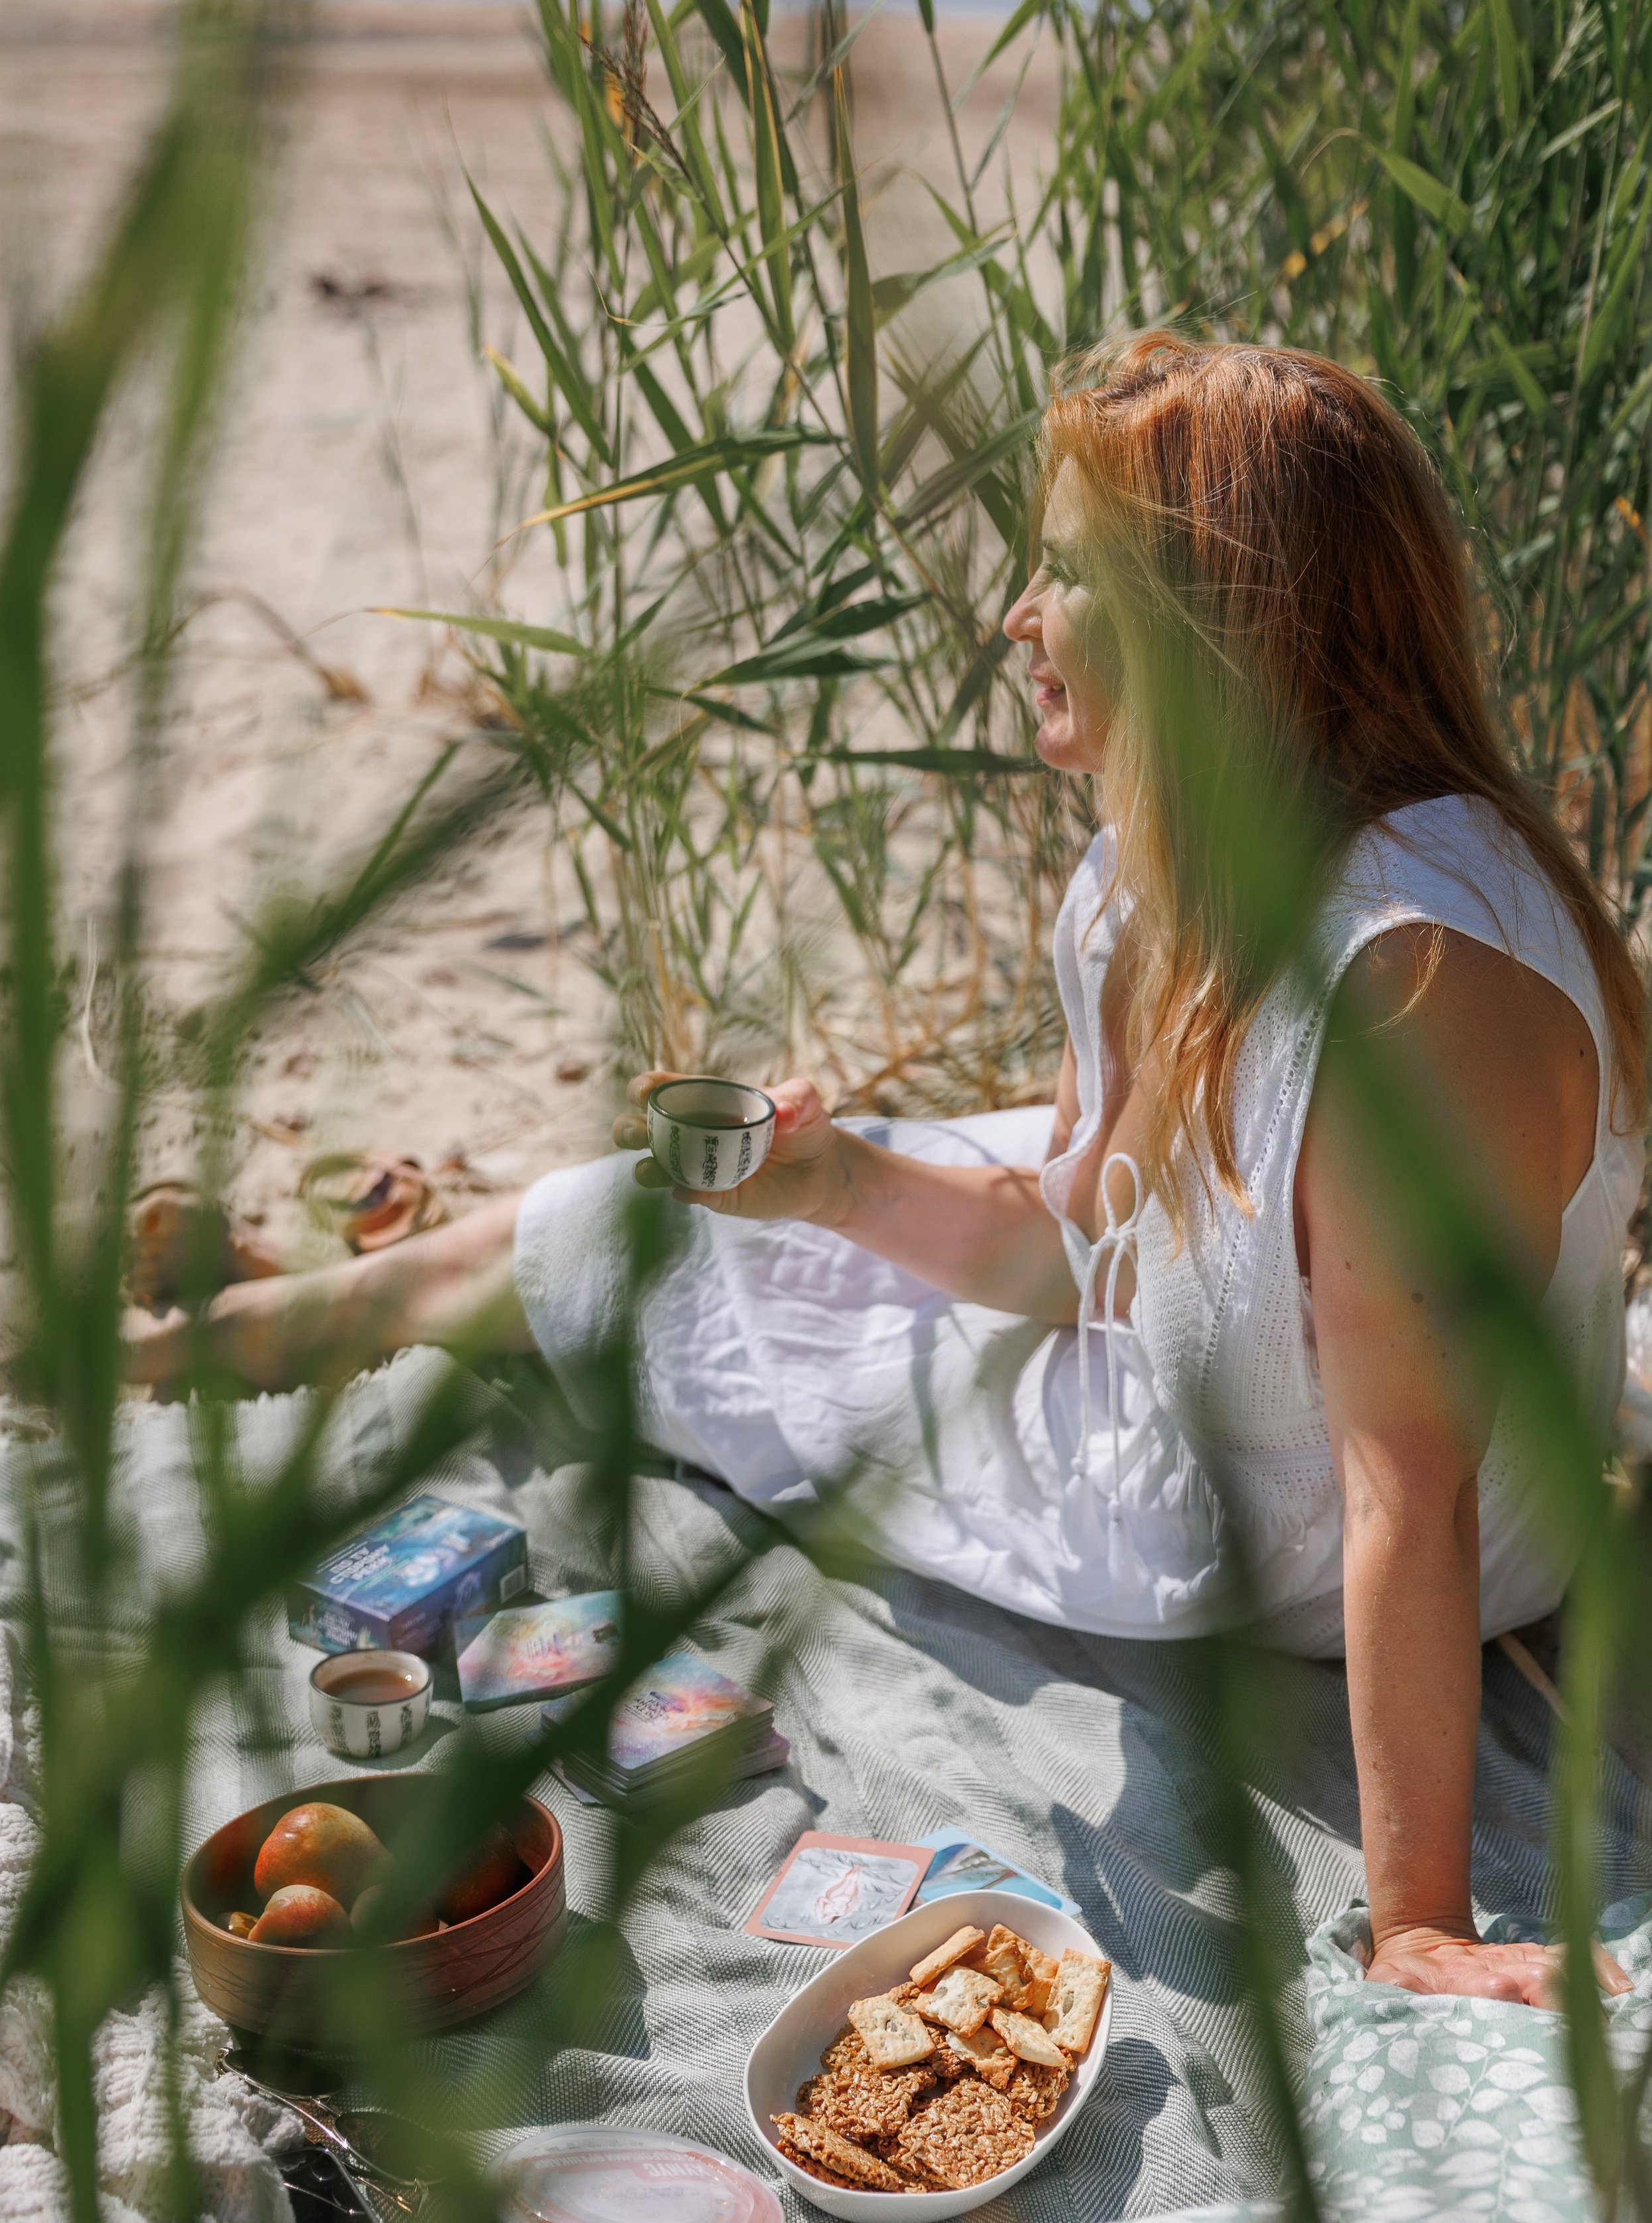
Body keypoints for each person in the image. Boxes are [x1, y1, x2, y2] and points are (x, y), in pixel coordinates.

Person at [124, 334, 1645, 2008]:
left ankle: (242, 1332)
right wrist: (832, 1185)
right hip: (1239, 1367)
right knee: (689, 1207)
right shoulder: (1184, 868)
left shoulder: (1403, 998)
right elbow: (1084, 1243)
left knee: (626, 1241)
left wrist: (1418, 1916)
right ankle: (292, 1310)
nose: (1013, 613)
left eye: (1064, 574)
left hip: (1280, 1524)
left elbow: (1403, 1491)